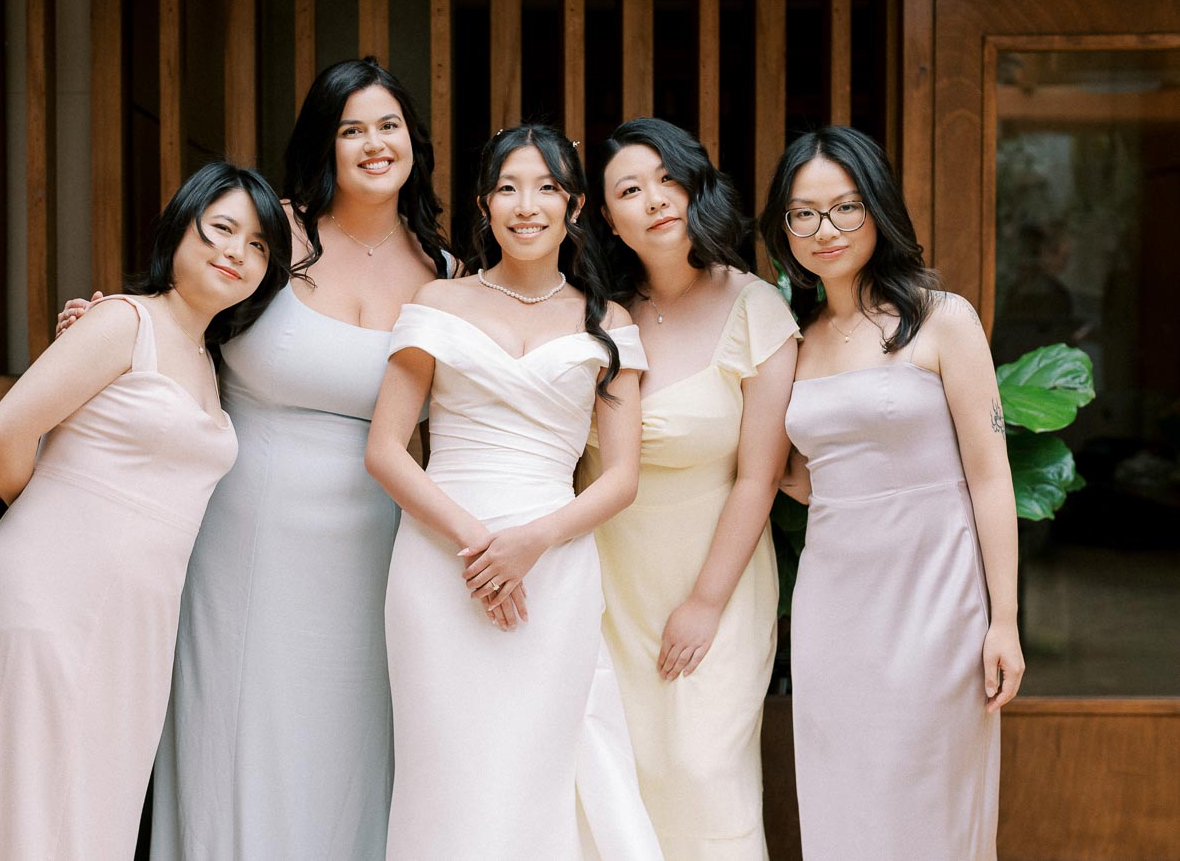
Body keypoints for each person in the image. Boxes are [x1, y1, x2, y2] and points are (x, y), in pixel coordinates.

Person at [58, 58, 449, 859]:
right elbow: (179, 311)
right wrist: (108, 324)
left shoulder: (446, 272)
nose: (374, 144)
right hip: (242, 534)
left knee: (349, 753)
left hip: (375, 551)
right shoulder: (274, 233)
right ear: (325, 143)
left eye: (388, 126)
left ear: (414, 139)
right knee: (233, 742)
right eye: (351, 130)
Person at [0, 161, 286, 860]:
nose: (236, 252)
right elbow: (5, 432)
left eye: (257, 245)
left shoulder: (210, 360)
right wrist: (53, 527)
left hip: (139, 616)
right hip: (50, 591)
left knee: (97, 800)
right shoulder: (122, 320)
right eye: (221, 228)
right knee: (29, 796)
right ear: (179, 228)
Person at [365, 124, 663, 860]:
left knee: (538, 766)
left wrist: (529, 543)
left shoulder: (609, 320)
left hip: (553, 566)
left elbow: (621, 478)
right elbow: (385, 450)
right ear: (484, 204)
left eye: (546, 188)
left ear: (575, 206)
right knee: (446, 770)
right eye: (507, 188)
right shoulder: (439, 301)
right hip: (440, 564)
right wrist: (481, 547)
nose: (526, 206)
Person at [762, 126, 1024, 860]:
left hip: (937, 600)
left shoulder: (944, 319)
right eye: (803, 213)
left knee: (930, 797)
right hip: (835, 605)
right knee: (845, 797)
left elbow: (990, 476)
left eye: (845, 207)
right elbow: (792, 471)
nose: (825, 230)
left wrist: (1004, 619)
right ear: (784, 228)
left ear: (878, 207)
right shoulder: (793, 340)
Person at [577, 118, 798, 859]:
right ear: (607, 218)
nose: (654, 200)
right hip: (606, 585)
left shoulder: (756, 308)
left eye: (667, 179)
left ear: (695, 185)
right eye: (629, 191)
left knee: (703, 773)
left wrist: (704, 603)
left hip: (716, 581)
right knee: (615, 774)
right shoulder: (593, 312)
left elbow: (759, 476)